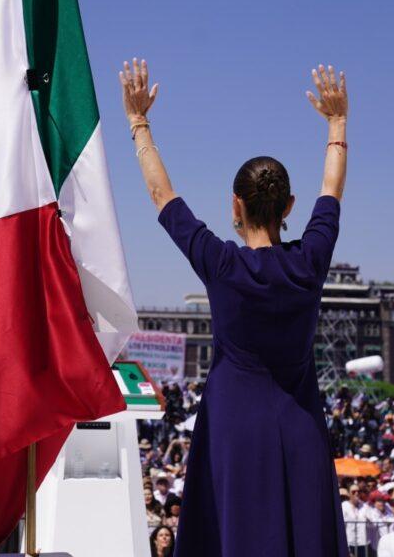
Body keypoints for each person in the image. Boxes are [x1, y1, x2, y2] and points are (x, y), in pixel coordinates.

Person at [121, 57, 349, 556]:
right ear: (289, 207)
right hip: (300, 427)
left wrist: (139, 121)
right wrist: (337, 124)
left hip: (233, 426)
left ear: (234, 206)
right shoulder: (309, 261)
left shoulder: (222, 265)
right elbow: (330, 192)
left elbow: (163, 196)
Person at [343, 485, 370, 556]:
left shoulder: (365, 506)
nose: (356, 493)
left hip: (363, 542)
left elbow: (372, 521)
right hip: (349, 542)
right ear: (349, 494)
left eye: (359, 491)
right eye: (353, 492)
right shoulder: (344, 506)